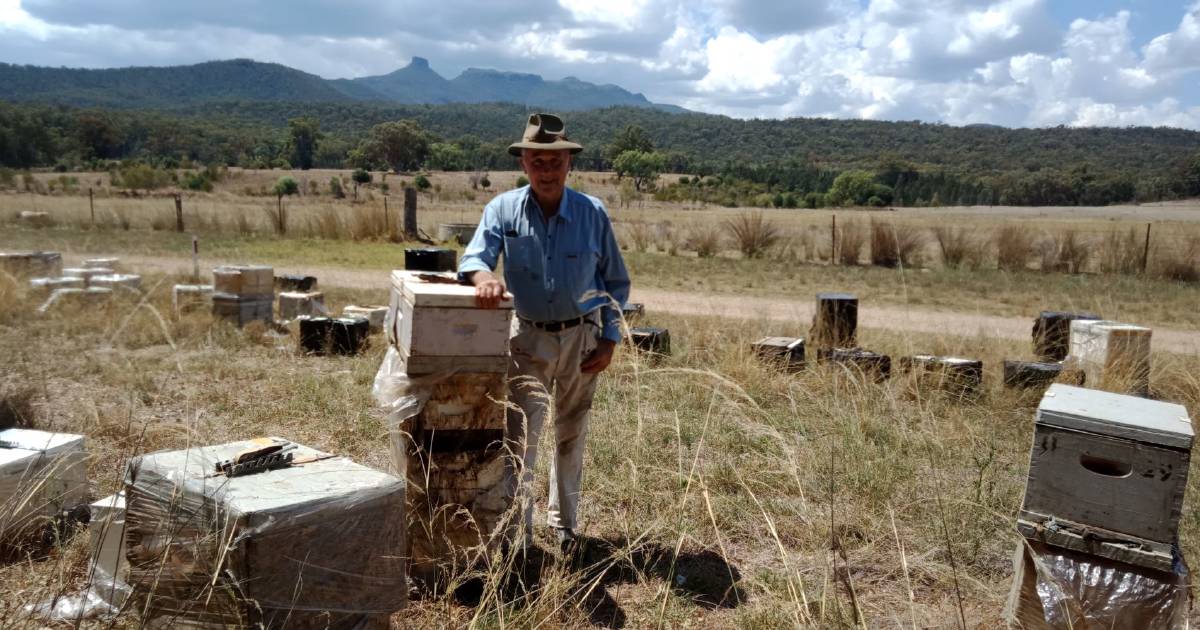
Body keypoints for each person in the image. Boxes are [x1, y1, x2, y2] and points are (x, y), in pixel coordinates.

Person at [458, 113, 630, 552]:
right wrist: (485, 281)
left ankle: (566, 526)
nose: (547, 170)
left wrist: (610, 339)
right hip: (527, 339)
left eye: (556, 162)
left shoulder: (592, 213)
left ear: (569, 164)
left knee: (571, 432)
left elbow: (616, 282)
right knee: (521, 436)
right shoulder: (502, 209)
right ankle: (518, 532)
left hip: (582, 339)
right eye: (538, 161)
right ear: (524, 165)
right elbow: (475, 259)